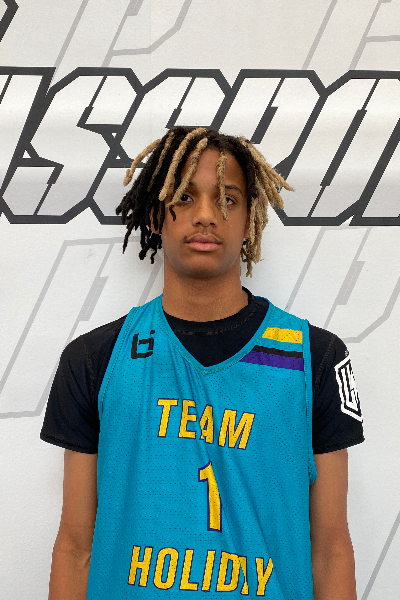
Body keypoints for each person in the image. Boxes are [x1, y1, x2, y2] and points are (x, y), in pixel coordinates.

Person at [41, 126, 364, 600]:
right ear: (157, 215)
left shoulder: (314, 357)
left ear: (250, 218)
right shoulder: (96, 359)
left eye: (228, 199)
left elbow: (331, 550)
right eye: (185, 197)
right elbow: (75, 547)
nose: (207, 215)